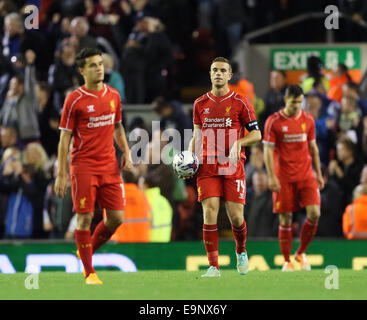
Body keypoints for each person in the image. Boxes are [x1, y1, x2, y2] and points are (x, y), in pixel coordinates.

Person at [54, 48, 132, 285]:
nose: (99, 68)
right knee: (84, 219)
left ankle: (86, 250)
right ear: (81, 71)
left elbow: (118, 127)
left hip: (109, 165)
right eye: (93, 65)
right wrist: (61, 173)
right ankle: (89, 272)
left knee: (117, 218)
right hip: (84, 166)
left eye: (100, 63)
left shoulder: (114, 95)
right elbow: (64, 138)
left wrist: (127, 151)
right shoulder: (74, 100)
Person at [186, 57, 262, 277]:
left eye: (222, 71)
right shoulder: (200, 104)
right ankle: (213, 267)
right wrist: (190, 159)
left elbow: (257, 134)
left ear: (230, 75)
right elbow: (197, 135)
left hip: (232, 166)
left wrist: (239, 143)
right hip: (207, 166)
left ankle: (241, 250)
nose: (218, 74)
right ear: (210, 74)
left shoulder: (241, 102)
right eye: (214, 70)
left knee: (236, 217)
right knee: (209, 213)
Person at [263, 85, 324, 272]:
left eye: (299, 102)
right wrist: (272, 176)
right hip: (283, 177)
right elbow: (268, 150)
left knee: (315, 213)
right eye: (293, 101)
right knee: (286, 218)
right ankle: (287, 260)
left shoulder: (308, 120)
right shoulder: (274, 122)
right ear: (285, 100)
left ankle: (301, 253)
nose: (297, 105)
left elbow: (313, 148)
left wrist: (319, 174)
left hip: (306, 175)